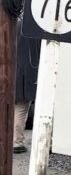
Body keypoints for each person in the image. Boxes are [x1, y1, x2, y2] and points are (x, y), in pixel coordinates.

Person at [13, 18, 40, 154]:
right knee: (21, 109)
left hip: (8, 72)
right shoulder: (32, 27)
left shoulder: (11, 23)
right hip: (25, 75)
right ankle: (17, 142)